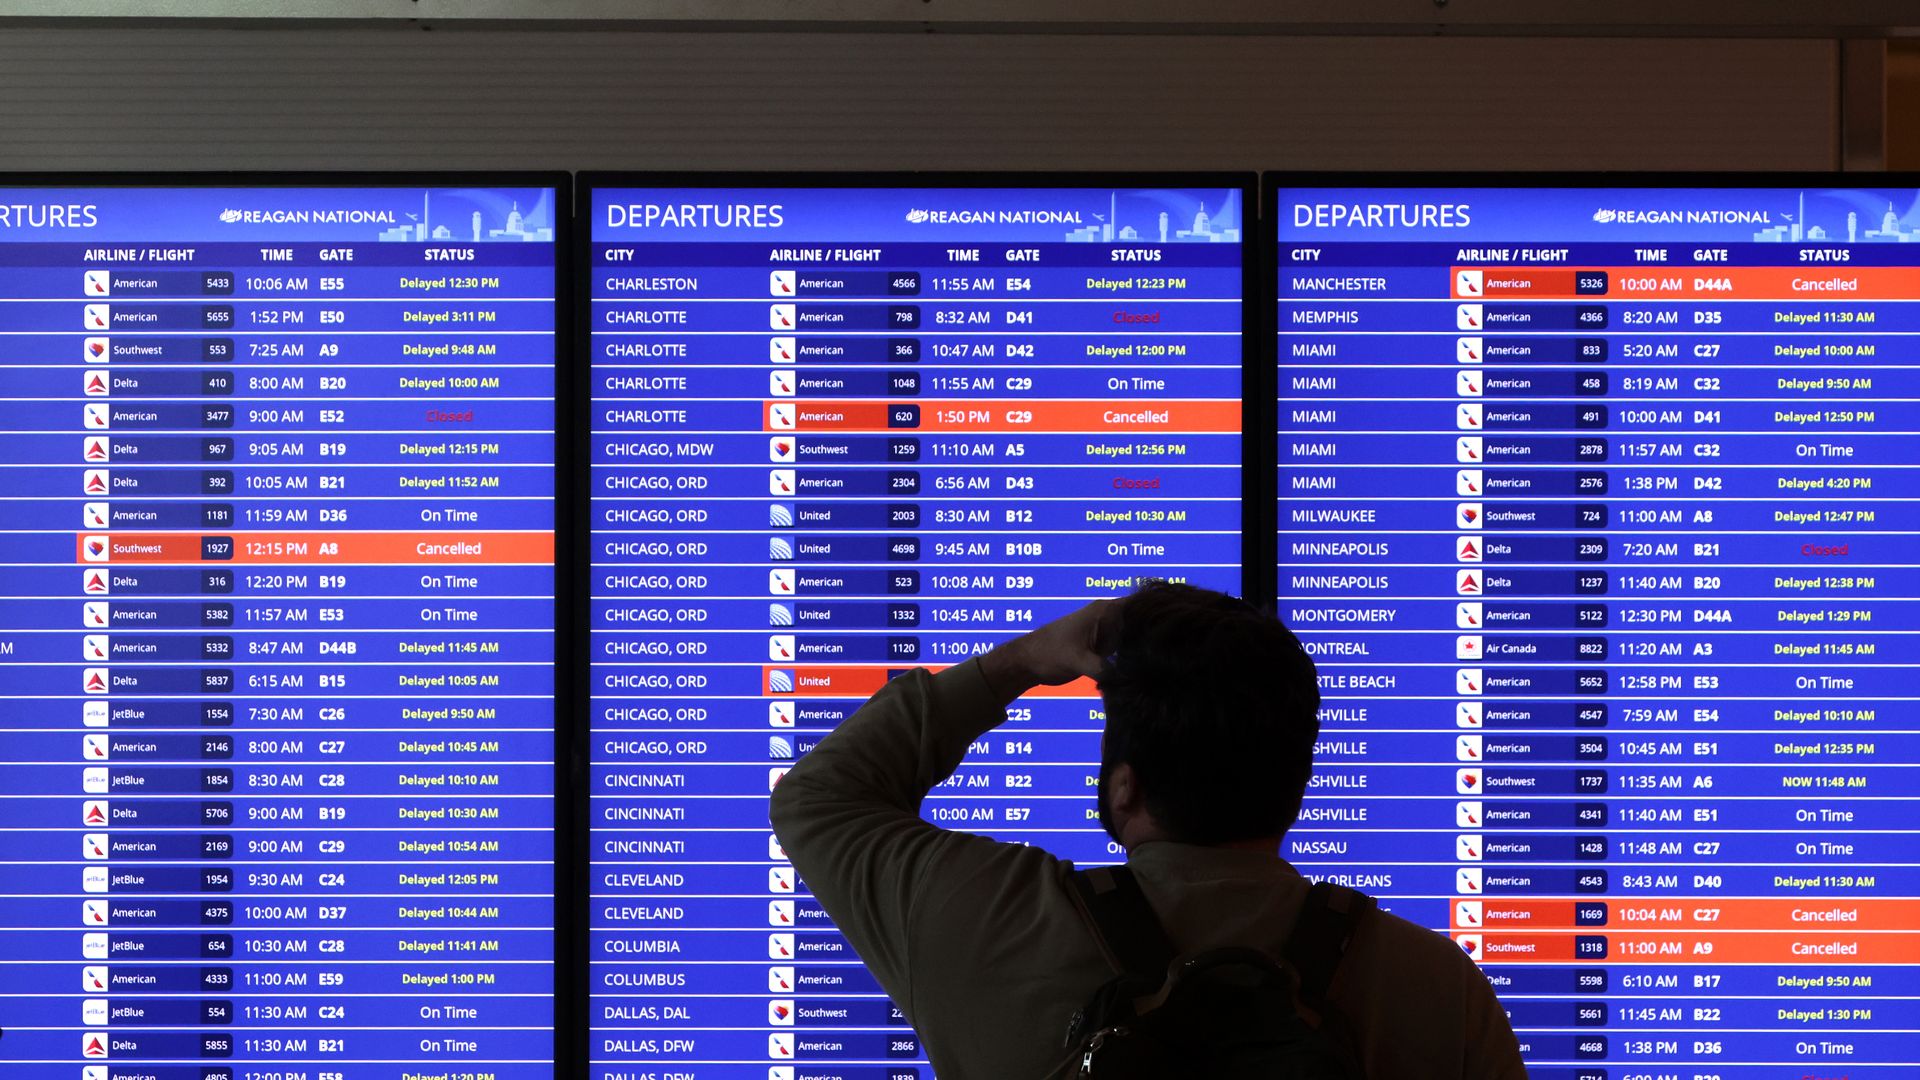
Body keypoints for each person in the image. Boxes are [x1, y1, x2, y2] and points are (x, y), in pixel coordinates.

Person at [770, 581, 1527, 1079]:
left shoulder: (980, 919)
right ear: (1294, 789)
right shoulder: (1439, 991)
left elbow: (820, 798)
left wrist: (1025, 662)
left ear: (1124, 787)